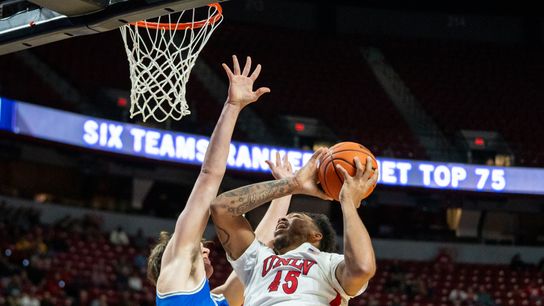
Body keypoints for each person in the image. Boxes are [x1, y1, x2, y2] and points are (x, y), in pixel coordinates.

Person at [147, 55, 294, 306]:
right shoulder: (175, 275)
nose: (206, 249)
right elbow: (208, 177)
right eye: (198, 247)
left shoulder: (219, 299)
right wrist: (232, 106)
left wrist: (286, 189)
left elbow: (258, 251)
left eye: (201, 246)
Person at [210, 153, 378, 305]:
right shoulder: (257, 258)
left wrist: (347, 201)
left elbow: (362, 268)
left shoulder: (328, 263)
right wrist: (292, 184)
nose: (282, 218)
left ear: (316, 235)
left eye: (295, 216)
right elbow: (221, 209)